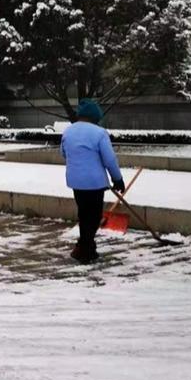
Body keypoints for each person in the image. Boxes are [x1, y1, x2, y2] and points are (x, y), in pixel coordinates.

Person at [60, 98, 125, 264]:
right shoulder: (99, 133)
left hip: (76, 181)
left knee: (84, 214)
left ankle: (88, 248)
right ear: (95, 116)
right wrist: (117, 179)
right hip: (94, 183)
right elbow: (109, 159)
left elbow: (63, 153)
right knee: (94, 216)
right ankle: (84, 249)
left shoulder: (68, 132)